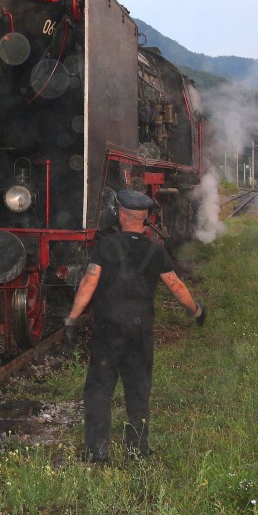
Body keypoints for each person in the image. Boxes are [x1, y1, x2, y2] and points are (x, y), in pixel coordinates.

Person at [63, 188, 205, 462]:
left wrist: (73, 317)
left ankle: (96, 452)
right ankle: (137, 451)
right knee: (138, 390)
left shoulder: (105, 247)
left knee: (99, 389)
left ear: (121, 215)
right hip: (139, 332)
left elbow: (89, 283)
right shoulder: (155, 250)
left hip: (108, 331)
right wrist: (196, 310)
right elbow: (176, 286)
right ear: (145, 219)